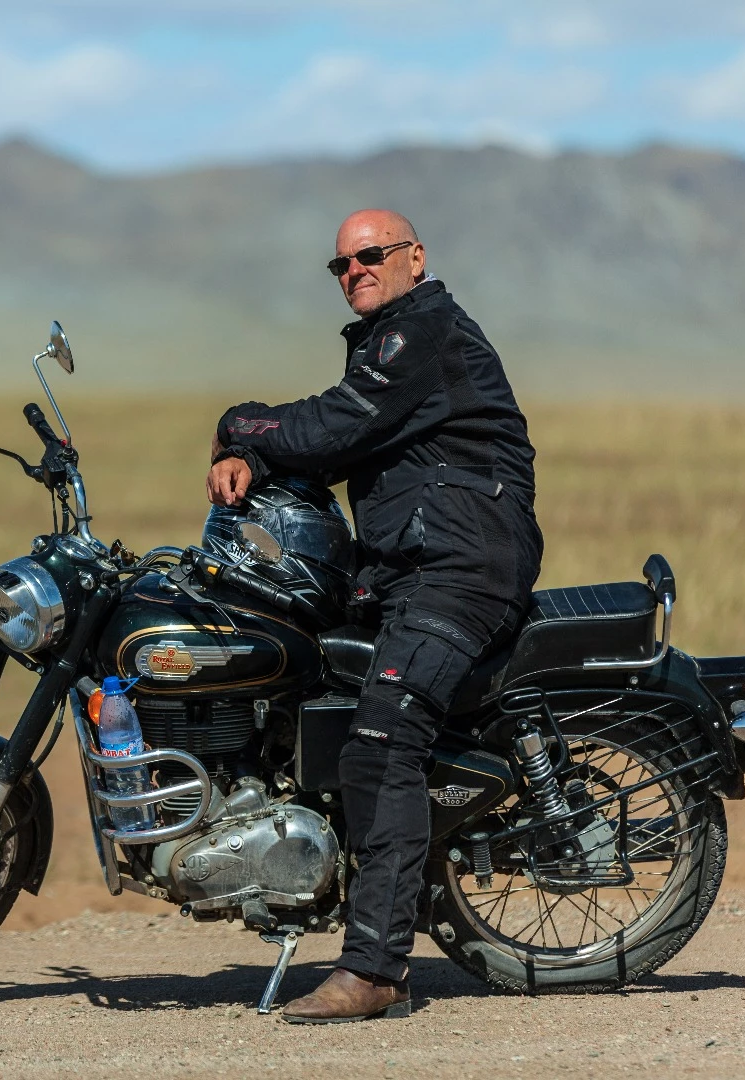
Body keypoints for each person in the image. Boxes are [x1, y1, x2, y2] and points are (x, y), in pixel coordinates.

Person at [207, 208, 543, 1023]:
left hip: (461, 569)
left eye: (370, 255)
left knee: (381, 741)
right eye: (341, 264)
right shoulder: (388, 344)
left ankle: (375, 969)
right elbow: (340, 442)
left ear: (414, 257)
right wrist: (252, 456)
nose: (354, 269)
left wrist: (238, 424)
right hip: (406, 571)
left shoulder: (422, 331)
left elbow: (336, 425)